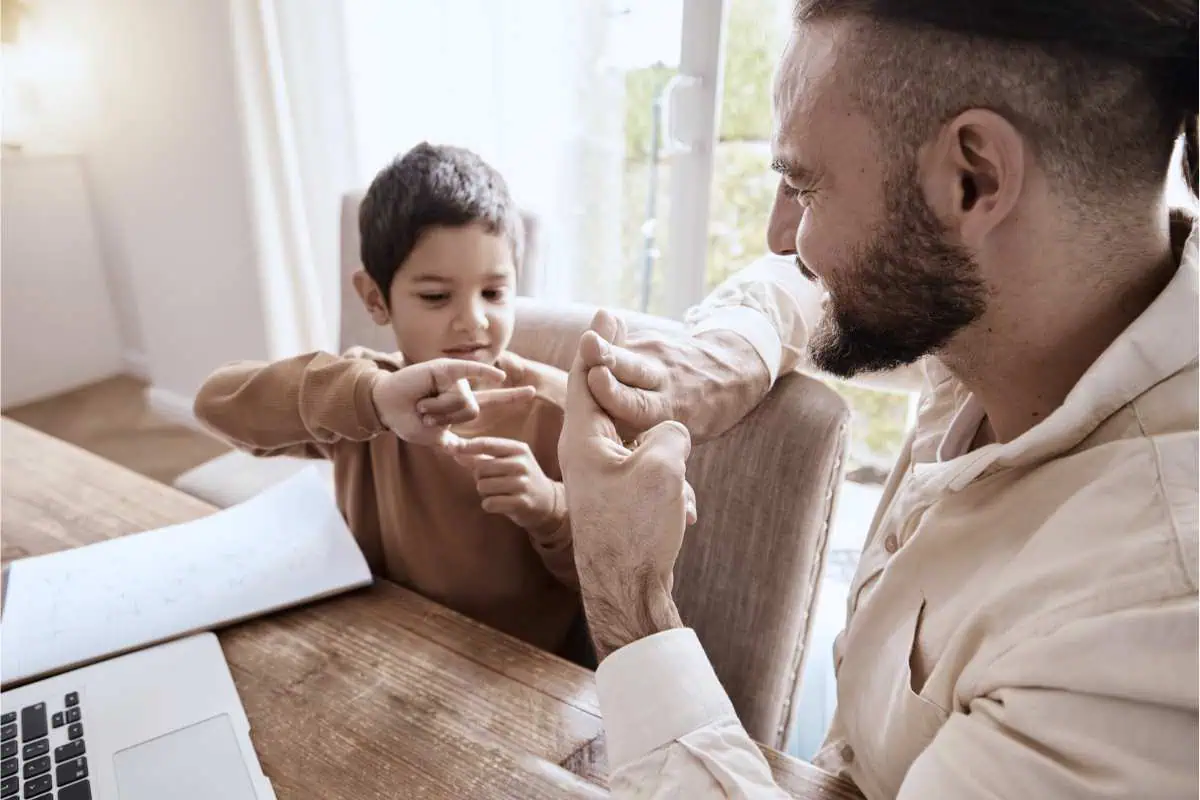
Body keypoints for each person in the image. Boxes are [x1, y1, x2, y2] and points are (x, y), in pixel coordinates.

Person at [558, 1, 1200, 797]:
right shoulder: (1024, 308)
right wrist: (729, 355)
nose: (778, 234)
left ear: (975, 179)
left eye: (804, 185)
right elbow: (789, 286)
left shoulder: (1144, 627)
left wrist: (630, 598)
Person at [195, 143, 590, 662]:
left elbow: (609, 577)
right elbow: (215, 404)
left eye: (493, 293)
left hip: (513, 673)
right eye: (435, 296)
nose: (473, 321)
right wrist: (372, 400)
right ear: (376, 299)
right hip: (381, 652)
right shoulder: (361, 395)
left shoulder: (558, 409)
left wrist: (549, 508)